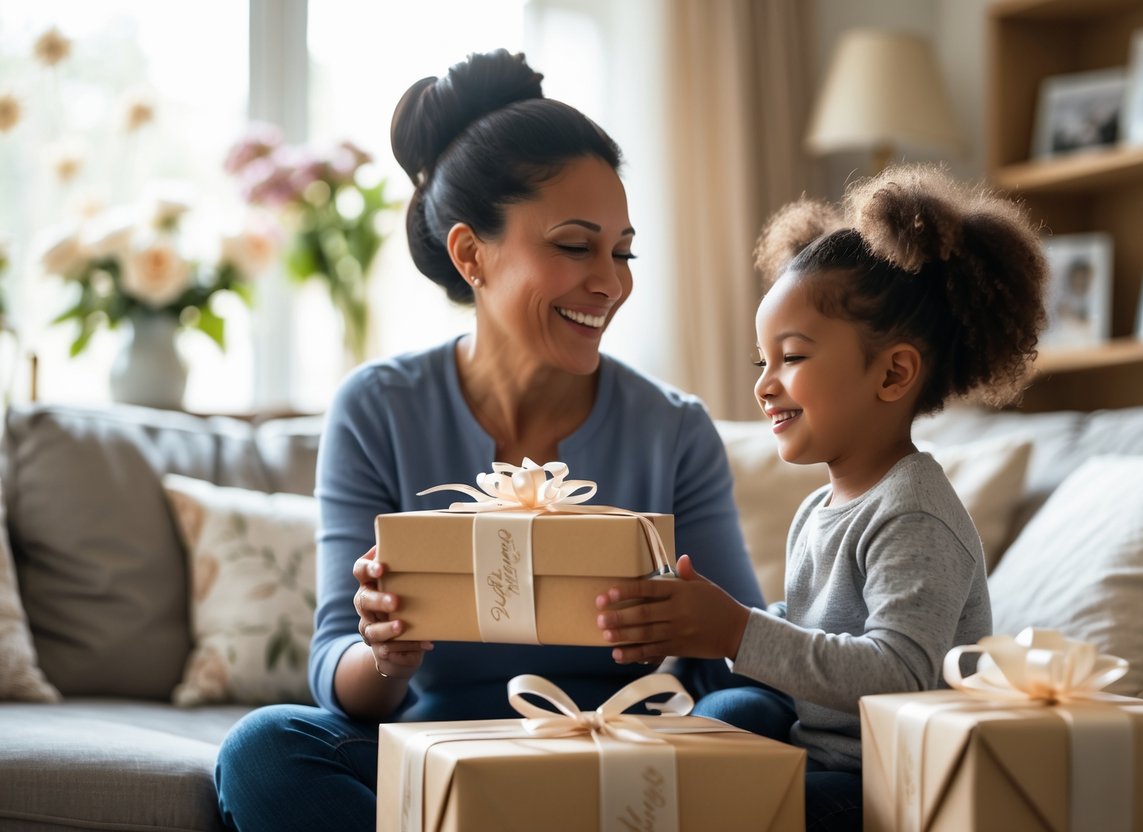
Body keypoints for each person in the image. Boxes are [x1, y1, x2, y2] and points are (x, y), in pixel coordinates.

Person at [212, 49, 764, 831]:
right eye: (576, 246)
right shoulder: (378, 409)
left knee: (758, 715)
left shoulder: (672, 427)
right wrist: (386, 653)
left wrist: (699, 621)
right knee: (265, 750)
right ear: (471, 254)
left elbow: (741, 659)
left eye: (622, 250)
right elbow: (338, 667)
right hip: (437, 751)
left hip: (622, 747)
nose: (611, 281)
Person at [595, 165, 1048, 831]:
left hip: (886, 777)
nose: (764, 385)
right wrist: (699, 631)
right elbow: (811, 628)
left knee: (732, 790)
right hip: (821, 747)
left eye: (792, 358)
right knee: (722, 715)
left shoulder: (913, 513)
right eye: (761, 362)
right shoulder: (819, 508)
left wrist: (737, 629)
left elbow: (897, 673)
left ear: (892, 373)